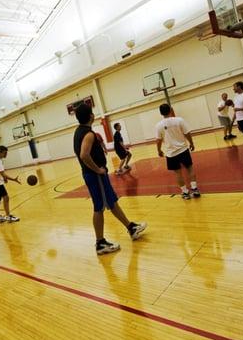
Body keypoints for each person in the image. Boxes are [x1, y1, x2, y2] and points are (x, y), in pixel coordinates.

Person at [73, 103, 147, 255]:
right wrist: (98, 169)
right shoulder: (88, 134)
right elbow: (84, 155)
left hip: (96, 175)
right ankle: (100, 243)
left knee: (112, 202)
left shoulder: (78, 131)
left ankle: (130, 227)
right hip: (95, 175)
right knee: (99, 207)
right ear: (91, 116)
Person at [155, 103, 201, 200]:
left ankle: (185, 192)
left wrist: (159, 150)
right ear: (170, 110)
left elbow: (158, 140)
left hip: (171, 153)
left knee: (178, 173)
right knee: (190, 169)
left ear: (160, 113)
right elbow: (187, 133)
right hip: (183, 149)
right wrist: (191, 143)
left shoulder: (159, 125)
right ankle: (195, 189)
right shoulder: (179, 120)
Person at [0, 146, 21, 223]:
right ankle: (8, 216)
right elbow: (3, 173)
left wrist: (4, 178)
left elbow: (1, 173)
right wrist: (14, 179)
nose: (6, 154)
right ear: (0, 151)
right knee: (6, 197)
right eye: (5, 152)